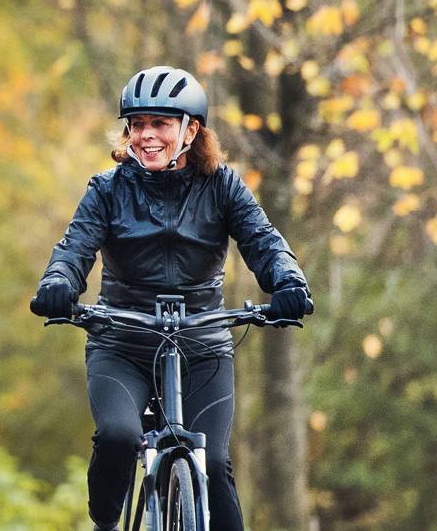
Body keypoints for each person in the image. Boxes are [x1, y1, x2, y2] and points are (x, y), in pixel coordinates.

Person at [30, 65, 315, 531]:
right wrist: (58, 284)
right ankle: (104, 524)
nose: (146, 136)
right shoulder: (108, 189)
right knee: (119, 437)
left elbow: (264, 241)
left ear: (191, 129)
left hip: (201, 344)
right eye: (137, 125)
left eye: (159, 123)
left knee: (216, 465)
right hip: (123, 341)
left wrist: (288, 283)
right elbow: (75, 248)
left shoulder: (223, 185)